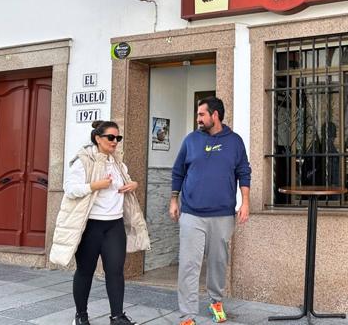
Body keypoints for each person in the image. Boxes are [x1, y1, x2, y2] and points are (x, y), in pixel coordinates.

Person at [50, 120, 150, 325]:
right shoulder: (83, 160)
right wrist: (95, 185)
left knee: (115, 272)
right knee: (85, 271)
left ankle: (117, 316)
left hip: (114, 225)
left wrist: (133, 184)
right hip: (91, 226)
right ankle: (81, 315)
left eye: (118, 138)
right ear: (98, 138)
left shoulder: (118, 163)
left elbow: (126, 182)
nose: (115, 142)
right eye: (110, 137)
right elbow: (70, 189)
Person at [170, 96, 251, 324]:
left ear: (215, 115)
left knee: (217, 262)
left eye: (201, 114)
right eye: (198, 115)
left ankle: (216, 301)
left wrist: (245, 202)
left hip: (223, 215)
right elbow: (178, 172)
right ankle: (187, 314)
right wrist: (174, 200)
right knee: (188, 264)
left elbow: (244, 171)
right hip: (192, 213)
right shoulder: (191, 140)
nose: (198, 119)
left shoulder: (235, 142)